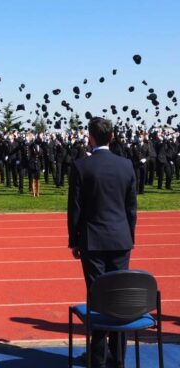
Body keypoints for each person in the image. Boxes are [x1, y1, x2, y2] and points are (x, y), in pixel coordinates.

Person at [67, 117, 137, 368]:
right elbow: (131, 208)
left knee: (97, 298)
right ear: (113, 137)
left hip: (93, 240)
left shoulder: (81, 166)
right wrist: (130, 236)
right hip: (120, 239)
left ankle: (96, 358)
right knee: (118, 298)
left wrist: (73, 239)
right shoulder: (126, 165)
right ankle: (117, 358)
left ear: (91, 137)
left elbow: (74, 208)